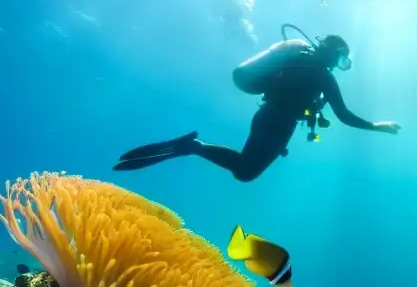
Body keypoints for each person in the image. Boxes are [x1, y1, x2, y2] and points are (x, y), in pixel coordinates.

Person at [113, 25, 401, 182]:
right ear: (334, 54)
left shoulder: (300, 61)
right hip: (279, 123)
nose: (340, 67)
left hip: (267, 115)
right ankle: (191, 146)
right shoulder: (322, 75)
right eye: (342, 60)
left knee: (244, 169)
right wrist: (378, 126)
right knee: (245, 172)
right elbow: (344, 116)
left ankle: (191, 147)